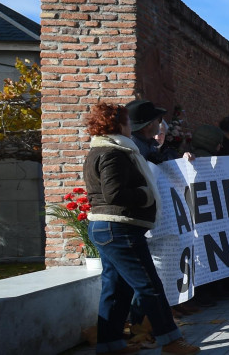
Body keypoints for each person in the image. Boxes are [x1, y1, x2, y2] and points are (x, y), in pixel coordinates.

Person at [82, 102, 200, 355]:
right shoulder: (113, 153)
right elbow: (114, 193)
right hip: (118, 229)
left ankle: (110, 346)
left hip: (111, 228)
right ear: (120, 125)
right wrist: (148, 194)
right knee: (149, 286)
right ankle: (170, 341)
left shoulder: (106, 150)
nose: (130, 126)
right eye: (126, 122)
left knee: (116, 288)